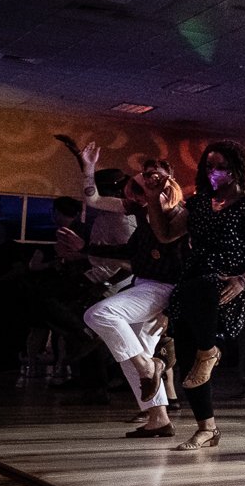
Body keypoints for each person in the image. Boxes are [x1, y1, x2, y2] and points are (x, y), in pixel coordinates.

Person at [152, 142, 245, 451]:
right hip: (194, 282)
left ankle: (209, 351)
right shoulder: (199, 204)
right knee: (187, 359)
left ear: (237, 169)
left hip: (230, 283)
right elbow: (166, 234)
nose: (213, 173)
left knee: (205, 290)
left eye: (220, 167)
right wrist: (152, 199)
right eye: (208, 167)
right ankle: (206, 428)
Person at [70, 159, 183, 436]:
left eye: (155, 181)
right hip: (146, 286)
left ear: (169, 184)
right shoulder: (140, 210)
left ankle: (148, 366)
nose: (147, 187)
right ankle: (158, 418)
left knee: (99, 314)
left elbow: (191, 267)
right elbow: (94, 199)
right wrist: (88, 170)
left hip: (163, 290)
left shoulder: (181, 217)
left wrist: (171, 309)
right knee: (133, 352)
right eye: (143, 183)